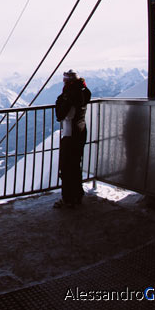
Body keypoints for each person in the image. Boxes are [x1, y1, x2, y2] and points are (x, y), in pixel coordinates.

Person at [54, 69, 91, 209]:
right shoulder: (84, 91)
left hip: (70, 134)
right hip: (80, 131)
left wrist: (61, 99)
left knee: (66, 167)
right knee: (75, 165)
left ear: (68, 82)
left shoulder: (70, 95)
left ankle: (68, 198)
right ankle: (77, 195)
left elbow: (61, 114)